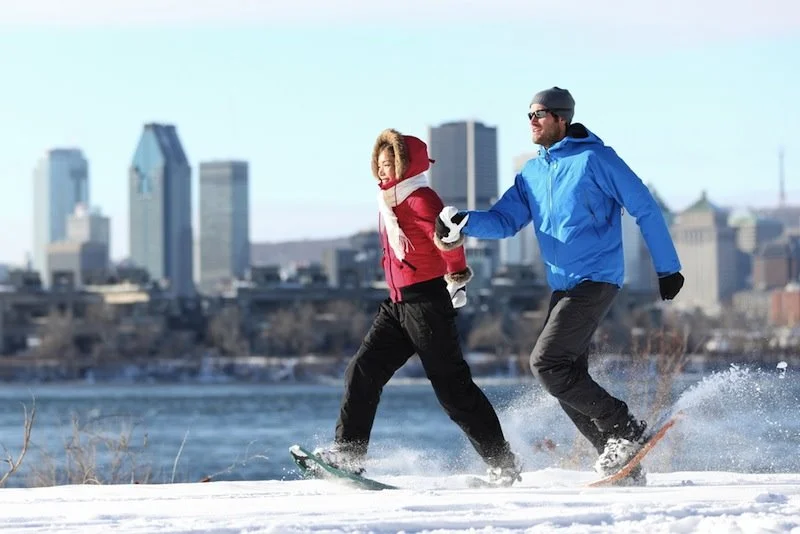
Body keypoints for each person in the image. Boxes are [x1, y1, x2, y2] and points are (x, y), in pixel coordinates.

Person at [434, 87, 685, 485]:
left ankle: (624, 430)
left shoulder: (596, 159)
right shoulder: (532, 173)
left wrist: (667, 268)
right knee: (563, 375)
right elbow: (505, 221)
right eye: (529, 115)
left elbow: (644, 206)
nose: (531, 121)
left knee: (547, 364)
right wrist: (465, 221)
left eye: (539, 114)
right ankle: (615, 457)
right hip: (563, 286)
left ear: (562, 118)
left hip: (597, 279)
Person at [314, 128, 522, 486]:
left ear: (407, 164)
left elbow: (447, 240)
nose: (382, 170)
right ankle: (349, 455)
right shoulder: (390, 200)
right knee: (362, 372)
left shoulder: (421, 199)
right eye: (379, 164)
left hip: (427, 303)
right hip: (397, 305)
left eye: (390, 162)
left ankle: (502, 462)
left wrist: (456, 274)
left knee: (453, 390)